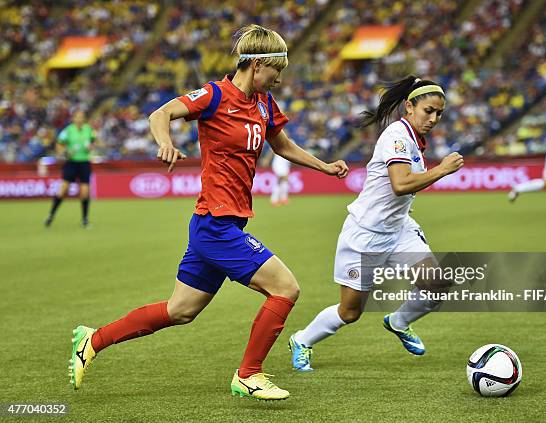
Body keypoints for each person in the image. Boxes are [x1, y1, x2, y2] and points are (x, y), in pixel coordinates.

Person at [68, 25, 349, 400]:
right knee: (286, 288)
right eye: (276, 70)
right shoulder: (215, 95)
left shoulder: (264, 103)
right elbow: (161, 113)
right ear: (258, 63)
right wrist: (165, 144)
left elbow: (283, 145)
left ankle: (93, 339)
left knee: (181, 310)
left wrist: (324, 166)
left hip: (218, 224)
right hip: (216, 225)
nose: (279, 79)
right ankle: (249, 374)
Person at [288, 76, 464, 372]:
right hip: (365, 235)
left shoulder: (415, 138)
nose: (434, 119)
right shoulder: (397, 136)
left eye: (439, 113)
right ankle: (302, 340)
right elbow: (400, 184)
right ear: (409, 106)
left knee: (436, 283)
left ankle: (399, 321)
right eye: (429, 111)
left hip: (398, 230)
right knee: (350, 311)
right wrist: (442, 170)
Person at [45, 110, 95, 228]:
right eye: (78, 117)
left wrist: (90, 147)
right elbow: (59, 144)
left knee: (85, 192)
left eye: (82, 117)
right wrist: (65, 152)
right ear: (73, 118)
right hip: (71, 163)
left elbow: (93, 142)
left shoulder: (88, 129)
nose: (80, 119)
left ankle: (85, 220)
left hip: (84, 163)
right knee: (63, 191)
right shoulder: (68, 130)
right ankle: (51, 215)